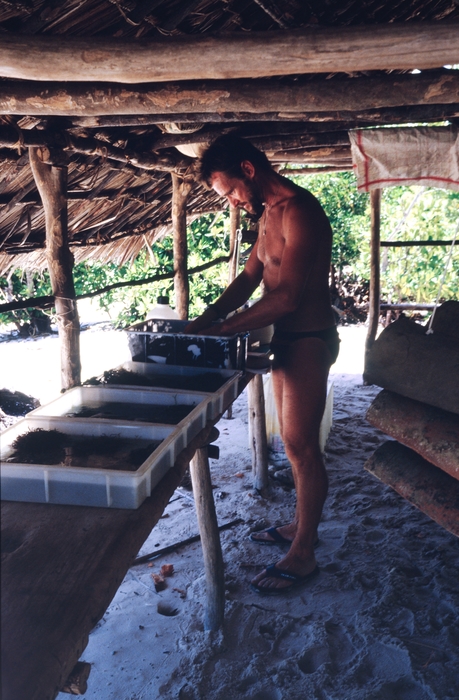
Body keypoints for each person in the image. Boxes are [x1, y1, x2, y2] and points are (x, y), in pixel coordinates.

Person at [186, 135, 339, 595]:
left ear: (249, 170)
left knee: (301, 447)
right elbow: (250, 278)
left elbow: (287, 297)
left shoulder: (301, 211)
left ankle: (305, 551)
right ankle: (299, 526)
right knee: (292, 446)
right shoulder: (268, 216)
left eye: (230, 191)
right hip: (287, 339)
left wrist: (221, 332)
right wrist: (205, 319)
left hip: (309, 338)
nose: (232, 201)